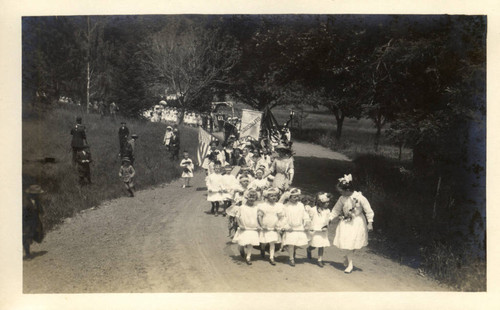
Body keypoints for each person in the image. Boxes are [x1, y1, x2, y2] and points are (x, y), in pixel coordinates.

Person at [331, 174, 374, 273]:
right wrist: (329, 218)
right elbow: (336, 210)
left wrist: (370, 222)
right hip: (346, 222)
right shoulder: (342, 198)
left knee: (353, 243)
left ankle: (348, 257)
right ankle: (350, 264)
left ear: (348, 190)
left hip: (357, 222)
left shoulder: (360, 198)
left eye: (342, 191)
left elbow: (368, 210)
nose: (341, 193)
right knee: (348, 242)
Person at [280, 188, 311, 267]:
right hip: (290, 227)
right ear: (289, 197)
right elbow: (283, 218)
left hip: (299, 226)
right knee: (291, 243)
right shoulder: (286, 206)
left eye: (297, 196)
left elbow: (305, 215)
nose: (296, 198)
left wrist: (307, 223)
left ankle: (293, 250)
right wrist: (286, 226)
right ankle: (291, 258)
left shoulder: (300, 205)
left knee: (298, 243)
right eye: (294, 197)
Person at [232, 189, 262, 265]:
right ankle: (240, 249)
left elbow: (258, 217)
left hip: (252, 228)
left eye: (254, 197)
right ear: (246, 198)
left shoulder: (256, 207)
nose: (252, 199)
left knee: (250, 243)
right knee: (242, 242)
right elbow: (237, 216)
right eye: (250, 197)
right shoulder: (242, 207)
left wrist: (259, 225)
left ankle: (248, 257)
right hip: (244, 227)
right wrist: (240, 225)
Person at [257, 187, 285, 265]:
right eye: (271, 196)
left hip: (274, 226)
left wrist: (278, 225)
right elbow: (260, 216)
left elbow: (280, 217)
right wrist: (262, 225)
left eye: (275, 196)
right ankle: (262, 249)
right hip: (266, 226)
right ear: (267, 197)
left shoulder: (278, 206)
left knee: (272, 242)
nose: (274, 197)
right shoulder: (263, 206)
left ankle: (271, 257)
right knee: (264, 242)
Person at [306, 192, 334, 267]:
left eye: (328, 202)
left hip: (323, 230)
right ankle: (309, 249)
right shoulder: (313, 210)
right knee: (314, 245)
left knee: (321, 245)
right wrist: (309, 227)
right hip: (315, 230)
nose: (328, 204)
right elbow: (309, 219)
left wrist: (327, 225)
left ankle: (320, 260)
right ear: (320, 203)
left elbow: (328, 220)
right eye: (326, 202)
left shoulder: (327, 211)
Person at [23, 185, 45, 259]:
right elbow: (23, 214)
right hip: (27, 222)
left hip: (35, 221)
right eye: (37, 194)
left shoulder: (36, 201)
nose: (39, 196)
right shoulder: (25, 202)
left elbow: (40, 210)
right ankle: (27, 253)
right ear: (33, 194)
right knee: (27, 237)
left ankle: (31, 240)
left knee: (39, 234)